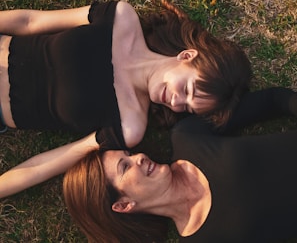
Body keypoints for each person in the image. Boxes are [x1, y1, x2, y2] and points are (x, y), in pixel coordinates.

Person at [0, 0, 251, 198]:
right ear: (186, 56)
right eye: (187, 90)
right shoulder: (120, 19)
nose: (176, 102)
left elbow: (49, 163)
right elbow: (30, 21)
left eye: (187, 107)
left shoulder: (130, 125)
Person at [63, 88, 297, 243]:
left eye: (130, 154)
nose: (139, 157)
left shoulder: (187, 137)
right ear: (124, 205)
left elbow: (272, 101)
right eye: (125, 167)